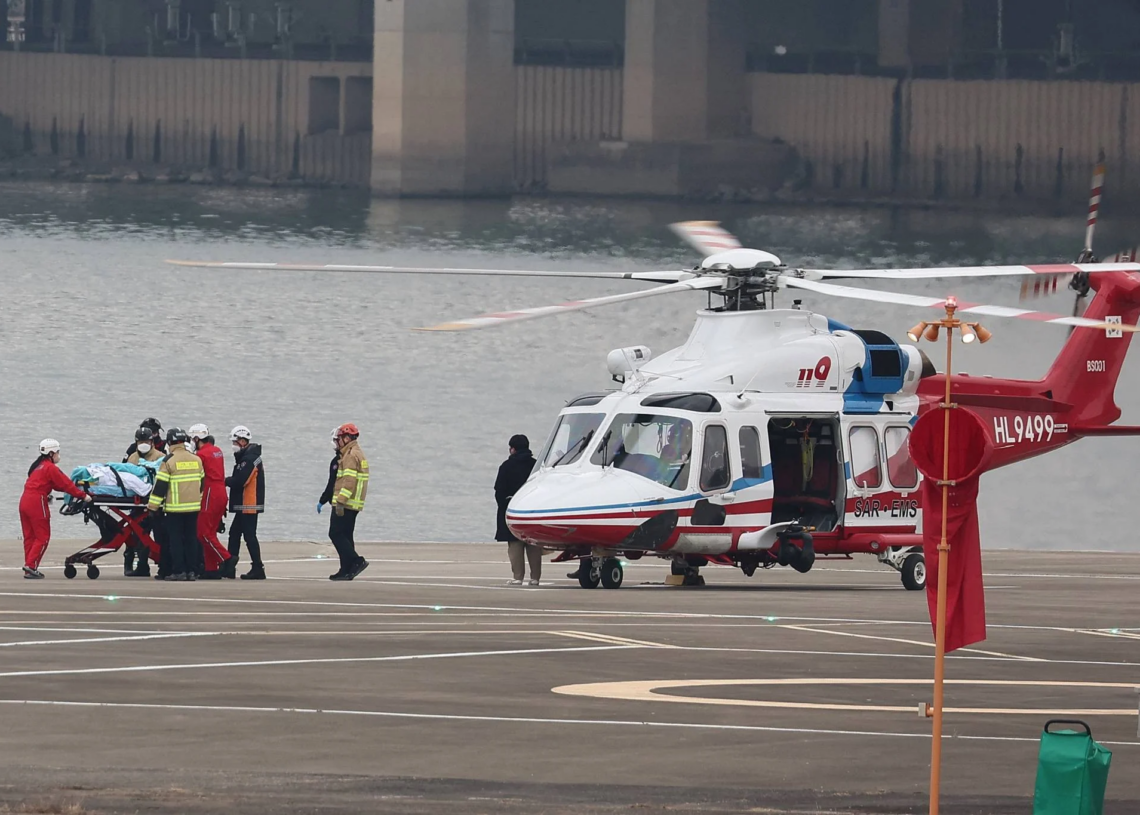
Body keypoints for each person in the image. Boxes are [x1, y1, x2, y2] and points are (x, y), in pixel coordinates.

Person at [20, 439, 92, 578]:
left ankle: (29, 566)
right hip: (37, 502)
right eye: (57, 452)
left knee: (30, 537)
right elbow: (66, 484)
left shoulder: (38, 466)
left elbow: (54, 484)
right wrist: (83, 496)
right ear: (51, 453)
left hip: (25, 501)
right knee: (43, 537)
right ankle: (30, 566)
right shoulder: (50, 467)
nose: (58, 455)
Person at [146, 428, 203, 581]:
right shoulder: (196, 460)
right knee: (191, 539)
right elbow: (201, 484)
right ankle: (192, 571)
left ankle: (179, 571)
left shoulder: (168, 461)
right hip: (193, 508)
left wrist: (152, 507)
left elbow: (160, 488)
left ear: (169, 442)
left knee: (175, 540)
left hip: (175, 509)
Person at [190, 424, 235, 579]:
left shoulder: (201, 455)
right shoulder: (217, 451)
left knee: (202, 533)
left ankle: (226, 558)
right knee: (211, 532)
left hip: (210, 493)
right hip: (221, 492)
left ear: (197, 438)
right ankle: (211, 569)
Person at [495, 434, 540, 586]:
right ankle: (535, 578)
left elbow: (499, 490)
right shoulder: (536, 466)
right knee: (533, 545)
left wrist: (504, 505)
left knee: (515, 545)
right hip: (534, 509)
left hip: (512, 508)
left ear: (513, 449)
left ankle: (518, 577)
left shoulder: (506, 466)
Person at [328, 423, 369, 581]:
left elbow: (349, 481)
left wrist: (340, 501)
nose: (337, 442)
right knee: (346, 535)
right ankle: (346, 569)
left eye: (339, 439)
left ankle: (356, 561)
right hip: (354, 503)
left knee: (335, 533)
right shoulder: (356, 452)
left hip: (346, 502)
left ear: (346, 438)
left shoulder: (350, 455)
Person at [226, 425, 266, 580]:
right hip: (245, 504)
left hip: (249, 504)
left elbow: (241, 480)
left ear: (243, 441)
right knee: (235, 534)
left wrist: (224, 481)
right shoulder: (248, 457)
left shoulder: (250, 459)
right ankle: (230, 566)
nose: (234, 446)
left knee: (249, 536)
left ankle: (257, 567)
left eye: (235, 442)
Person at [124, 426, 164, 576]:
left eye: (146, 441)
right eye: (141, 441)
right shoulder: (132, 457)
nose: (143, 444)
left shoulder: (160, 456)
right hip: (136, 503)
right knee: (138, 534)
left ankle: (163, 566)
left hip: (155, 503)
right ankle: (141, 565)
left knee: (160, 535)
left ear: (152, 441)